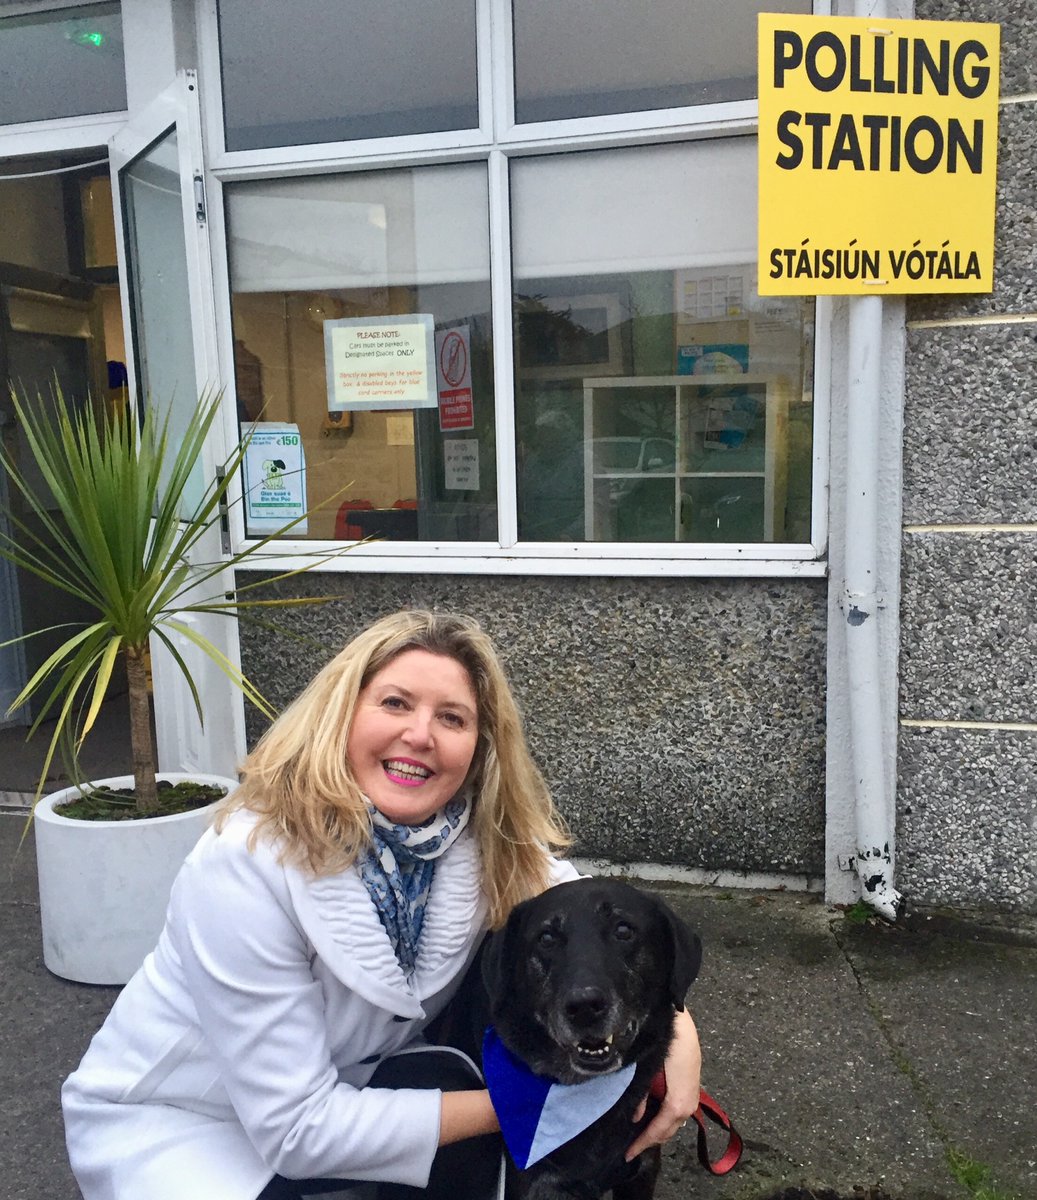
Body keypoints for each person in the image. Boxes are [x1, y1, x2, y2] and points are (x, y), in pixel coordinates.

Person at [62, 610, 702, 1200]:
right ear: (341, 718)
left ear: (479, 749)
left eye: (452, 718)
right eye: (395, 703)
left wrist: (676, 1041)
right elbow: (297, 1130)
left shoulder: (480, 837)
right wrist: (527, 1100)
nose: (420, 735)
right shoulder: (245, 862)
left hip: (348, 1093)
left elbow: (601, 916)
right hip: (188, 1115)